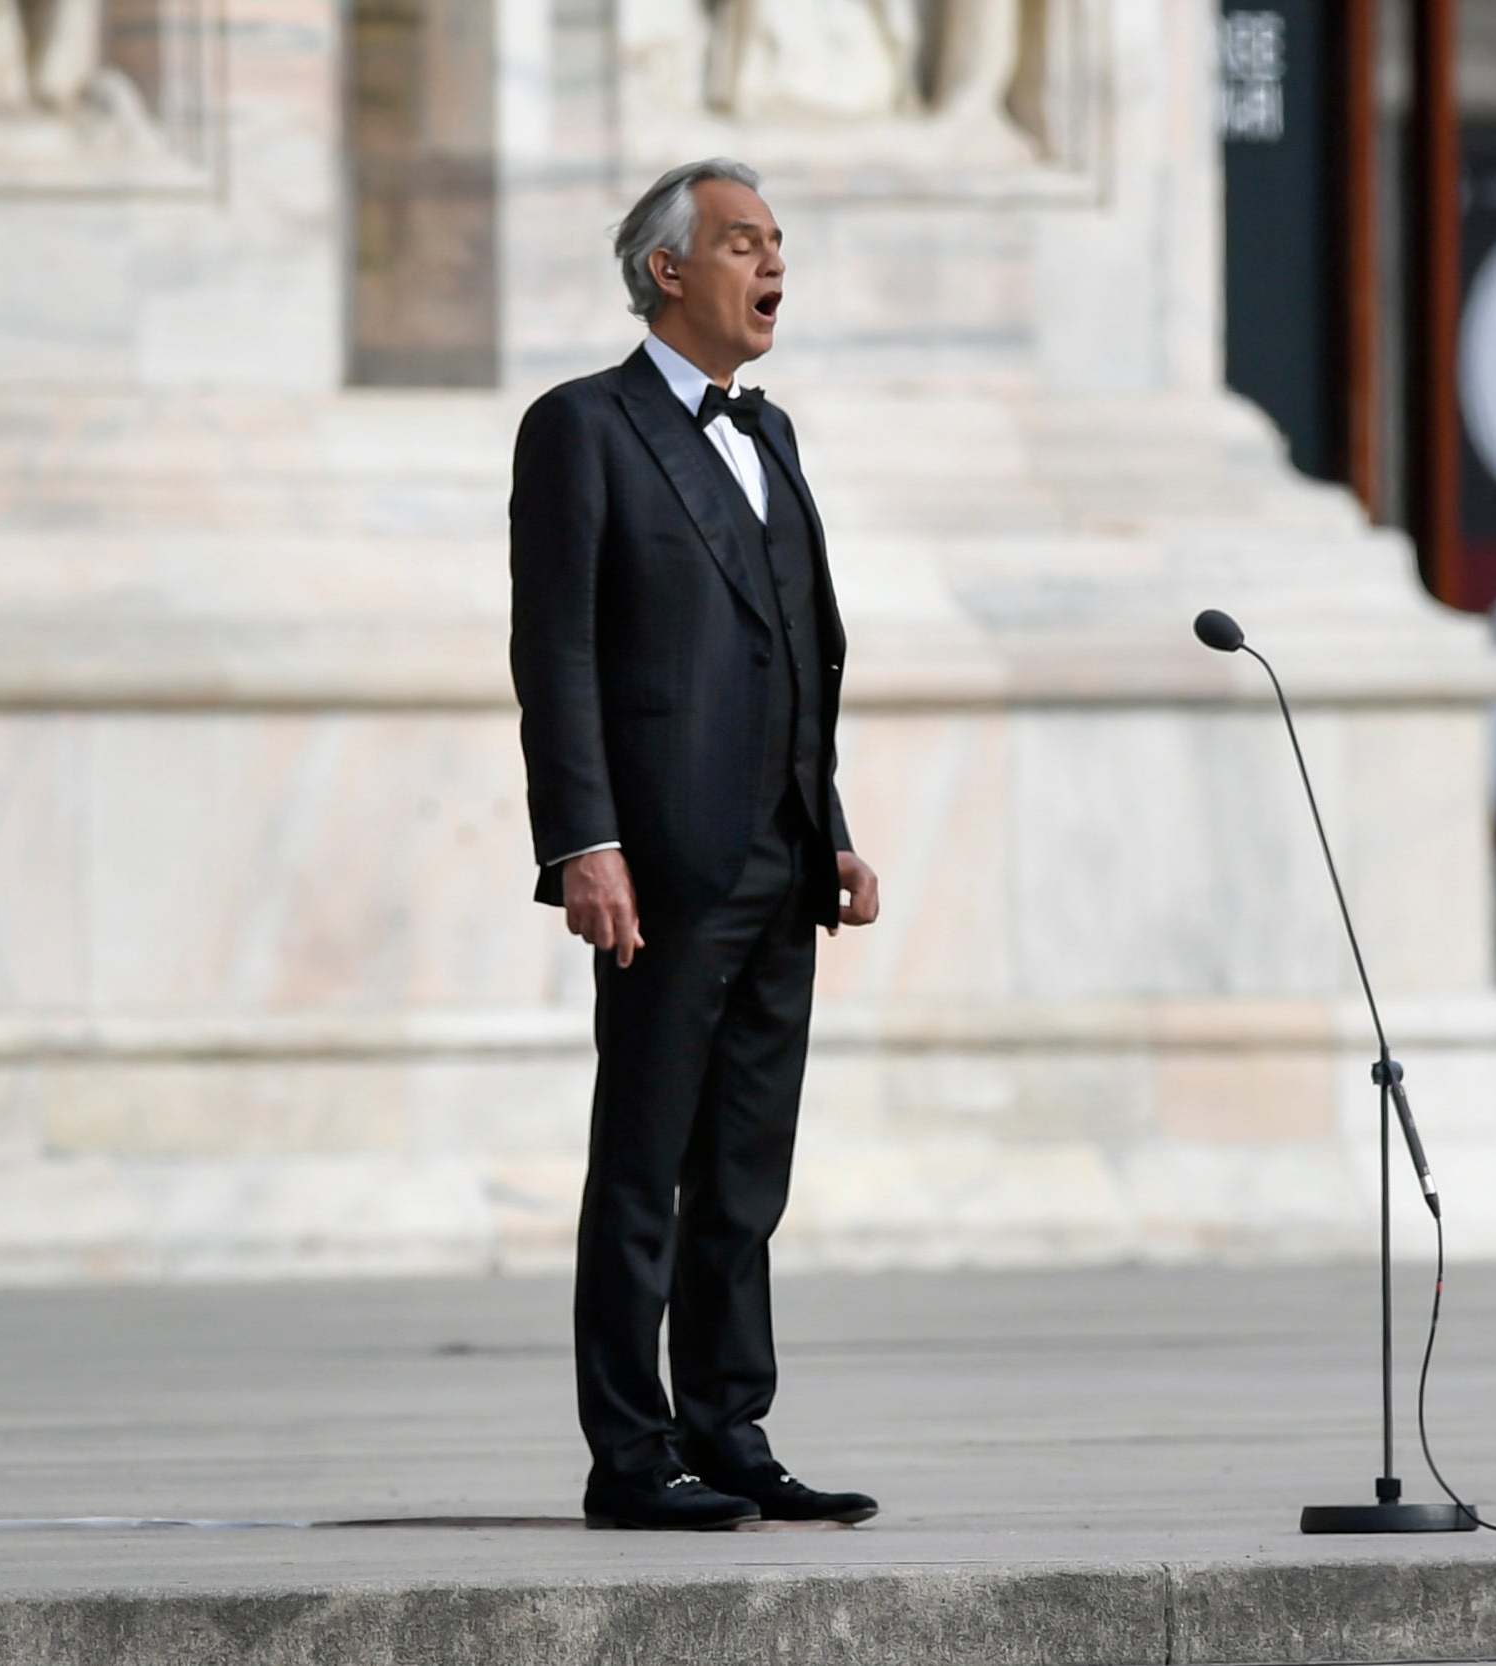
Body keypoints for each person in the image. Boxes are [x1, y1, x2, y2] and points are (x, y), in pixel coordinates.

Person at [509, 158, 882, 1532]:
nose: (771, 263)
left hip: (783, 859)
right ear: (668, 270)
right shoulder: (583, 427)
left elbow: (799, 653)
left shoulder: (771, 435)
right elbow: (553, 654)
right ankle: (629, 1453)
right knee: (644, 1159)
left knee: (743, 1168)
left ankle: (730, 1426)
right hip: (659, 862)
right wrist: (582, 840)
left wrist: (830, 828)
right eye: (741, 242)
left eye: (778, 240)